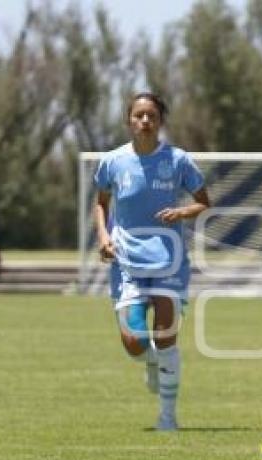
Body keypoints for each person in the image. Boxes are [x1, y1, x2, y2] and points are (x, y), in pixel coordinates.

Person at [93, 92, 210, 431]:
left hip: (169, 260)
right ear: (129, 120)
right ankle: (152, 363)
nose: (145, 121)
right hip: (127, 260)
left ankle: (167, 418)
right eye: (139, 115)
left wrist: (183, 211)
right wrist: (103, 236)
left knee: (167, 335)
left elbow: (204, 202)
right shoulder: (112, 161)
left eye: (152, 116)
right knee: (134, 343)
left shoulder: (177, 160)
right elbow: (101, 203)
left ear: (160, 121)